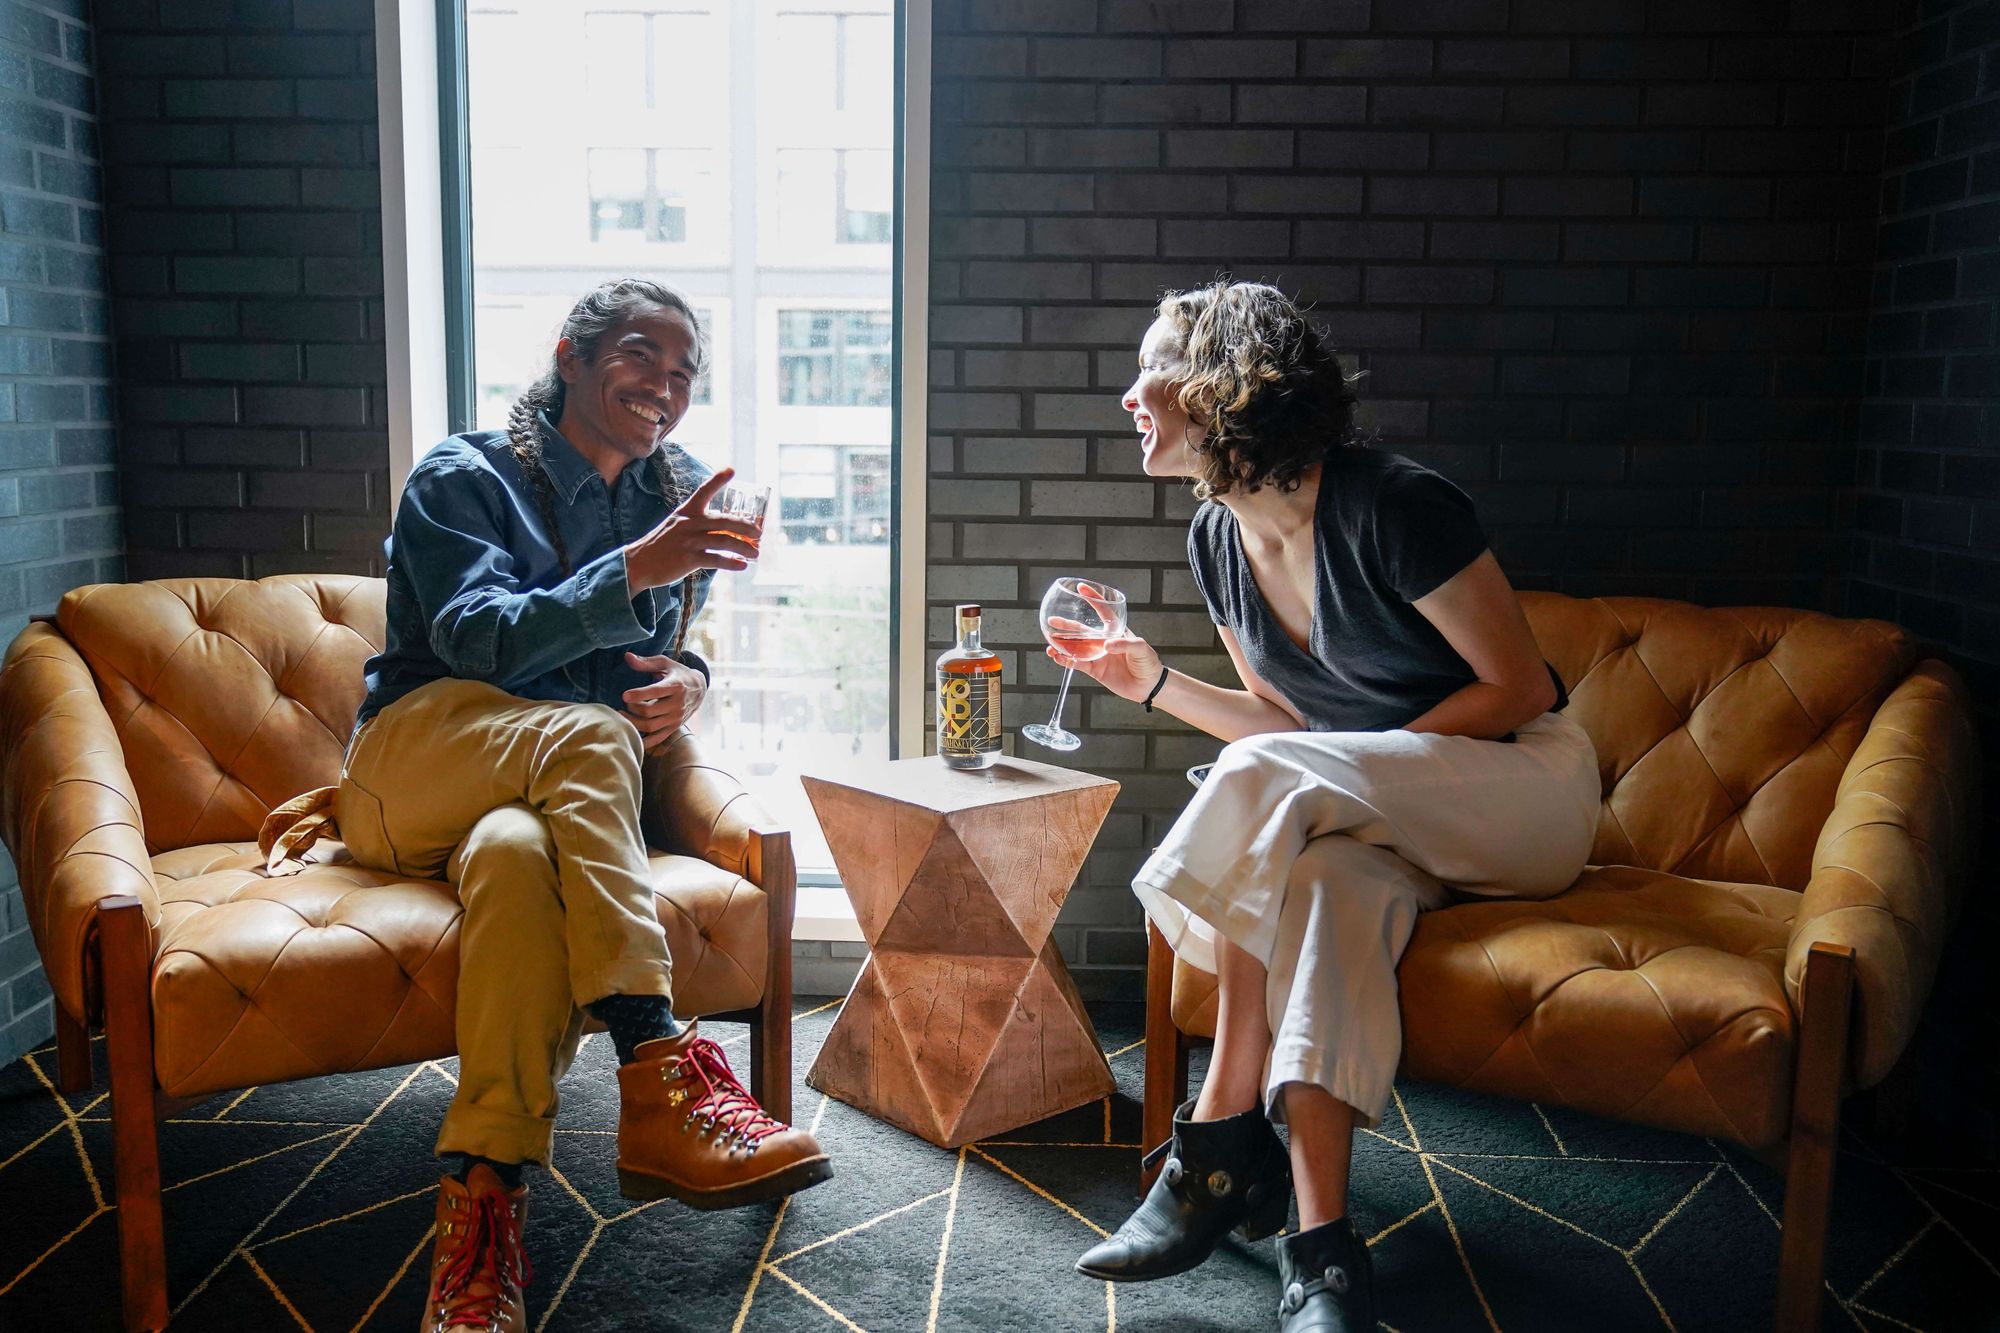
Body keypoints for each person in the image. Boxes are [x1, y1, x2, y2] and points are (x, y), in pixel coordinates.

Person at [1059, 282, 1599, 1332]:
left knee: (1247, 787)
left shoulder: (1393, 503)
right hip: (1363, 819)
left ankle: (1212, 1138)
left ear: (1219, 383)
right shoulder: (1215, 540)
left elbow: (1518, 689)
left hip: (1517, 790)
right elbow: (1278, 728)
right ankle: (1321, 1248)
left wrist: (1348, 767)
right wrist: (1153, 683)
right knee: (1318, 886)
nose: (1127, 394)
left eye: (1149, 368)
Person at [331, 279, 831, 1331]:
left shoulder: (675, 491)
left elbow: (672, 639)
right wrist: (638, 565)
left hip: (533, 802)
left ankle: (482, 1213)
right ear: (569, 356)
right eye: (644, 355)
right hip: (414, 762)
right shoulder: (462, 475)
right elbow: (478, 638)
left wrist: (690, 677)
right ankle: (656, 1059)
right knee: (590, 733)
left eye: (686, 372)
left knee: (518, 863)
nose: (667, 385)